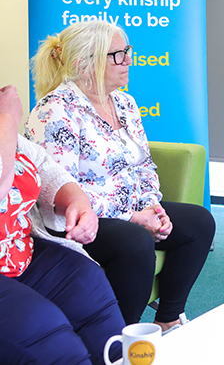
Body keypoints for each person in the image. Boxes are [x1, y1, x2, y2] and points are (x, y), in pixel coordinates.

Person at [25, 20, 215, 329]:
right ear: (83, 64)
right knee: (135, 241)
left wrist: (152, 207)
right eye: (117, 54)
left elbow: (143, 165)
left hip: (129, 211)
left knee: (198, 222)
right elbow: (60, 190)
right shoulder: (55, 111)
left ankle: (168, 319)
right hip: (75, 223)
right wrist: (132, 217)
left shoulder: (125, 103)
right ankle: (118, 338)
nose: (129, 60)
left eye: (127, 51)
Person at [0, 84, 125, 365]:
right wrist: (7, 117)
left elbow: (42, 166)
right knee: (41, 327)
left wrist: (77, 202)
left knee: (86, 282)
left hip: (17, 251)